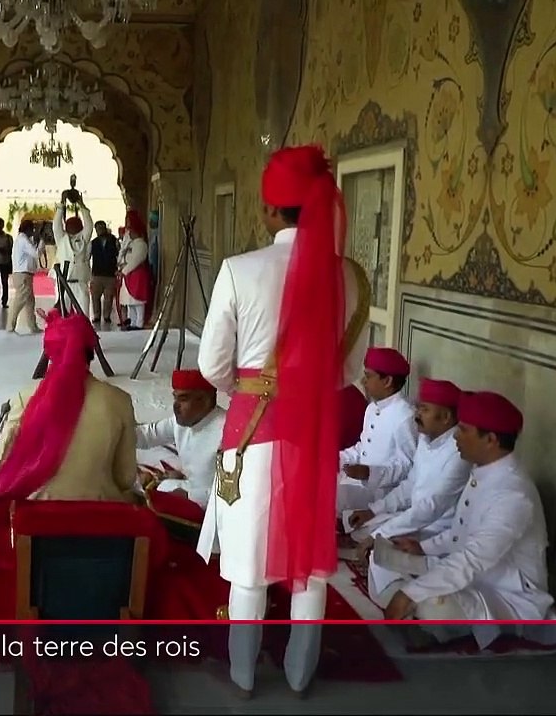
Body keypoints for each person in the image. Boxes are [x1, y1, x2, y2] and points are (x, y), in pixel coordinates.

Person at [196, 144, 368, 697]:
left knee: (248, 564)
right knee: (312, 565)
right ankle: (300, 673)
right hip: (314, 435)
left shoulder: (240, 271)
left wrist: (246, 392)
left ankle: (244, 673)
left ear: (272, 211)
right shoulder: (350, 279)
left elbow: (211, 366)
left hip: (254, 431)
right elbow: (351, 369)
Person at [378, 391, 552, 630]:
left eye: (463, 430)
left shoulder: (513, 494)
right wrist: (422, 548)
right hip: (477, 574)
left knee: (431, 606)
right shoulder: (484, 472)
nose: (456, 437)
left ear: (490, 439)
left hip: (508, 594)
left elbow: (474, 557)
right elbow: (460, 533)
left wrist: (410, 593)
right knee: (384, 558)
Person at [0, 309, 139, 503]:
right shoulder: (119, 400)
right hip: (100, 517)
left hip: (35, 519)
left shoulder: (26, 398)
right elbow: (125, 478)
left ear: (49, 353)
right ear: (90, 353)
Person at [348, 378, 472, 600]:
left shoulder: (459, 453)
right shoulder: (426, 439)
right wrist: (374, 511)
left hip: (438, 532)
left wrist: (380, 536)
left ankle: (411, 599)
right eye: (418, 407)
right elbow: (409, 485)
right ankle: (406, 585)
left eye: (424, 409)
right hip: (415, 522)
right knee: (365, 532)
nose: (417, 414)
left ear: (445, 417)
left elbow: (431, 507)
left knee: (380, 552)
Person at [338, 347, 420, 512]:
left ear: (387, 381)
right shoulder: (372, 409)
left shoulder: (405, 415)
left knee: (325, 494)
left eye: (368, 376)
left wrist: (369, 473)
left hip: (381, 493)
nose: (363, 381)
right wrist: (338, 458)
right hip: (358, 482)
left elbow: (407, 466)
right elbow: (363, 447)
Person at [135, 369, 226, 509]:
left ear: (205, 400)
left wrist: (188, 496)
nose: (175, 406)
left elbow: (233, 491)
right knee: (160, 488)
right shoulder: (181, 423)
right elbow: (148, 436)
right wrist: (111, 432)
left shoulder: (226, 431)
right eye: (175, 397)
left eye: (183, 399)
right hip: (191, 489)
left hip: (213, 507)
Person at [51, 194, 94, 316]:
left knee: (83, 314)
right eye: (69, 225)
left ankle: (83, 334)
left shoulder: (83, 239)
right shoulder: (61, 239)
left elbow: (89, 225)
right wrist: (62, 203)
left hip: (80, 283)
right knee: (61, 314)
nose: (71, 227)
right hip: (63, 282)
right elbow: (56, 225)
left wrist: (81, 204)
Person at [5, 219, 43, 334]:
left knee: (30, 302)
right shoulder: (23, 239)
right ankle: (10, 325)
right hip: (23, 275)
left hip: (24, 274)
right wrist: (42, 241)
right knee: (19, 300)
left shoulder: (23, 239)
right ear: (29, 229)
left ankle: (33, 326)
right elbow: (36, 254)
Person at [119, 210, 153, 330]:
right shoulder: (131, 244)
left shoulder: (141, 244)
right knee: (130, 301)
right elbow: (123, 255)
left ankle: (139, 322)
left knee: (138, 301)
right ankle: (132, 322)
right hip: (129, 275)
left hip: (137, 274)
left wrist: (124, 270)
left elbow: (136, 260)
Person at [89, 221, 120, 324]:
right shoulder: (93, 243)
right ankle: (96, 316)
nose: (100, 230)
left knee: (108, 297)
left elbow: (119, 254)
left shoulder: (113, 240)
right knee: (95, 297)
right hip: (97, 273)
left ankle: (107, 316)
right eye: (98, 228)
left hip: (110, 274)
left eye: (102, 228)